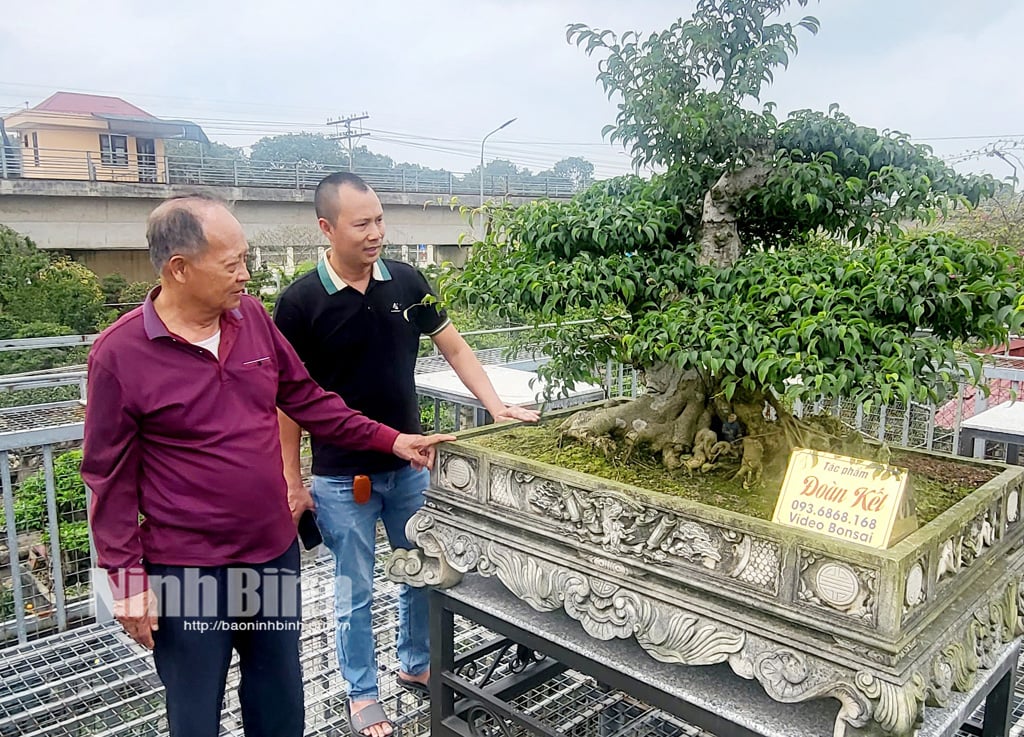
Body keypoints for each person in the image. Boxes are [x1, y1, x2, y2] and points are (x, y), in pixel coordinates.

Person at [81, 194, 453, 737]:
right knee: (195, 709)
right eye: (232, 264)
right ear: (178, 269)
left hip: (271, 554)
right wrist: (126, 580)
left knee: (278, 700)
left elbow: (309, 399)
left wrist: (392, 440)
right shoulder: (120, 355)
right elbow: (107, 480)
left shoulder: (250, 318)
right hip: (190, 568)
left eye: (246, 258)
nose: (246, 276)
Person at [273, 172, 539, 737]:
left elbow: (456, 345)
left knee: (422, 572)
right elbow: (289, 404)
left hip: (411, 464)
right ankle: (362, 692)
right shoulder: (300, 302)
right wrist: (292, 481)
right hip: (342, 478)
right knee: (354, 588)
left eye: (380, 220)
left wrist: (495, 406)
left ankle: (416, 663)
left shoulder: (407, 282)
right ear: (327, 227)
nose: (376, 233)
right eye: (362, 223)